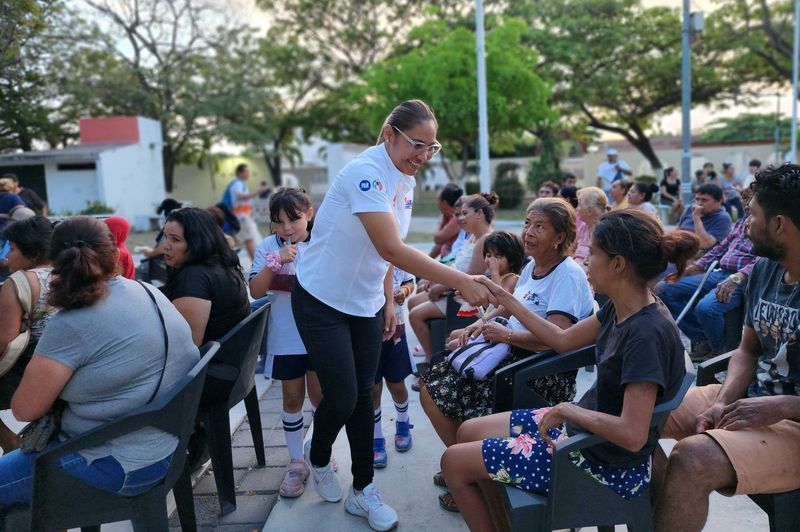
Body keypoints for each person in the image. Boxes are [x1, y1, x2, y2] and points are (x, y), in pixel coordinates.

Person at [291, 99, 490, 531]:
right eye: (417, 144)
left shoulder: (405, 177)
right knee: (342, 397)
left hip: (364, 303)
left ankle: (362, 491)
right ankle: (320, 456)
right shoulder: (365, 174)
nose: (423, 155)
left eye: (431, 148)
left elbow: (383, 254)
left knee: (365, 394)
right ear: (389, 134)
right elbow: (391, 248)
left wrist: (387, 302)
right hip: (322, 298)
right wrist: (460, 281)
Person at [442, 210, 698, 531]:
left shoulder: (645, 335)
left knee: (453, 462)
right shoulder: (619, 307)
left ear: (618, 264)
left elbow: (633, 435)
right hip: (584, 434)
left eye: (593, 254)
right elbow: (561, 339)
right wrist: (505, 297)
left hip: (596, 462)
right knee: (467, 431)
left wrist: (567, 410)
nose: (585, 261)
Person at [0, 216, 199, 510]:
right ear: (113, 251)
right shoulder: (147, 290)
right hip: (167, 446)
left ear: (55, 261)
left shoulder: (70, 323)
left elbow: (24, 409)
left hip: (115, 461)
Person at [654, 163, 800, 531]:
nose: (745, 224)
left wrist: (780, 406)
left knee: (692, 458)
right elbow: (748, 349)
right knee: (639, 413)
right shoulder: (766, 269)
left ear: (780, 224)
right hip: (751, 399)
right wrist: (723, 401)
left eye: (752, 215)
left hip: (793, 423)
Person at [423, 201, 594, 512]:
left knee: (448, 388)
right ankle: (469, 467)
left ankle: (475, 475)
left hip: (537, 370)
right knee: (434, 381)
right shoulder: (532, 265)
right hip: (508, 351)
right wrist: (482, 322)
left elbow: (556, 338)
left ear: (559, 237)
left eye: (539, 226)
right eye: (527, 223)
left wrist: (507, 336)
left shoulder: (567, 274)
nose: (528, 232)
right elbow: (512, 302)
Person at [159, 207, 251, 470]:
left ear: (197, 242)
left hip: (212, 379)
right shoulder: (222, 265)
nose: (166, 246)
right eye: (165, 237)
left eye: (175, 240)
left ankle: (155, 458)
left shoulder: (194, 277)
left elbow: (185, 349)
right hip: (234, 370)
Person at [249, 187, 322, 498]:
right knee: (292, 400)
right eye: (279, 222)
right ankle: (296, 462)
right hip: (286, 336)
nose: (287, 228)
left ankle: (321, 453)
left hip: (320, 335)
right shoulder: (268, 246)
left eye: (293, 219)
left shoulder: (323, 242)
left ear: (310, 214)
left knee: (321, 399)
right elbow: (255, 290)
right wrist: (275, 262)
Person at [656, 189, 757, 361]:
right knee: (664, 288)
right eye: (743, 199)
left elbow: (763, 260)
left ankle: (718, 351)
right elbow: (721, 248)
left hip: (742, 279)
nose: (745, 204)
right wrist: (695, 266)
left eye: (750, 199)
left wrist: (739, 276)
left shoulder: (763, 226)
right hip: (719, 272)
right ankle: (701, 338)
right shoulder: (741, 222)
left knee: (706, 308)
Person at [408, 193, 498, 365]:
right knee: (414, 302)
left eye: (465, 213)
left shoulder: (484, 240)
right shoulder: (472, 236)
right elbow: (456, 265)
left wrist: (439, 287)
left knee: (415, 314)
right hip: (454, 289)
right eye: (459, 214)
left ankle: (432, 361)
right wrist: (434, 280)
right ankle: (434, 352)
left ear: (479, 213)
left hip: (462, 298)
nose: (460, 219)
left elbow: (471, 278)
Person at [0, 216, 54, 454]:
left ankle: (9, 443)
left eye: (11, 249)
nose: (6, 256)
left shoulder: (19, 282)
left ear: (32, 254)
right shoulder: (70, 274)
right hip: (65, 367)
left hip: (30, 372)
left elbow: (4, 343)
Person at [372, 266, 416, 469]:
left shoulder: (396, 255)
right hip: (368, 330)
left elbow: (410, 281)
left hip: (395, 328)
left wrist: (403, 292)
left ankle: (403, 422)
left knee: (396, 384)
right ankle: (376, 436)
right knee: (373, 388)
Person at [225, 163, 269, 260]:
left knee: (245, 237)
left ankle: (225, 249)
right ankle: (255, 262)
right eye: (246, 171)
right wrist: (257, 192)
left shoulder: (240, 184)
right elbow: (240, 197)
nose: (248, 173)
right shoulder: (237, 184)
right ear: (240, 173)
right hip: (242, 216)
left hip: (244, 215)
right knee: (248, 238)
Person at [677, 183, 732, 251]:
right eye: (697, 199)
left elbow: (704, 244)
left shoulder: (723, 218)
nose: (699, 203)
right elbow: (677, 230)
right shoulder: (690, 209)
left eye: (704, 200)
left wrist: (696, 218)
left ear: (719, 201)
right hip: (679, 249)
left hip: (699, 256)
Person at [574, 186, 607, 266]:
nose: (577, 208)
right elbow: (572, 249)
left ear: (589, 211)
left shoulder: (604, 231)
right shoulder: (583, 227)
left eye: (579, 204)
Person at [429, 183, 463, 261]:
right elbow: (439, 244)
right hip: (448, 260)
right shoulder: (449, 217)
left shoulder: (457, 219)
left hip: (454, 263)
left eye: (438, 200)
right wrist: (427, 260)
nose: (437, 203)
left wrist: (441, 219)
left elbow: (438, 239)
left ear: (444, 203)